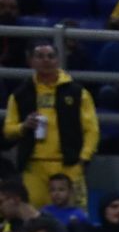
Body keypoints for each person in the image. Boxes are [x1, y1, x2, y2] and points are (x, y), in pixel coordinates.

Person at [4, 44, 100, 208]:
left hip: (69, 165)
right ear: (30, 61)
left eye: (50, 56)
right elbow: (8, 131)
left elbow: (91, 129)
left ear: (58, 60)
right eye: (40, 56)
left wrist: (84, 158)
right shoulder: (20, 94)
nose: (46, 60)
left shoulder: (78, 93)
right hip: (34, 167)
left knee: (74, 214)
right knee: (32, 214)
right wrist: (23, 126)